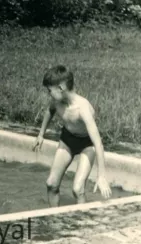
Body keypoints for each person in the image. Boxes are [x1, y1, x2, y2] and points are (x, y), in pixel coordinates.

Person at [32, 65, 112, 207]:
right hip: (68, 140)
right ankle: (54, 218)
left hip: (87, 145)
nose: (48, 94)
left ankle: (81, 226)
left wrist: (101, 176)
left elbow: (98, 144)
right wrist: (41, 134)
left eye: (50, 90)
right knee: (51, 184)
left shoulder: (82, 108)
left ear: (61, 88)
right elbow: (49, 112)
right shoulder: (57, 101)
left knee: (77, 189)